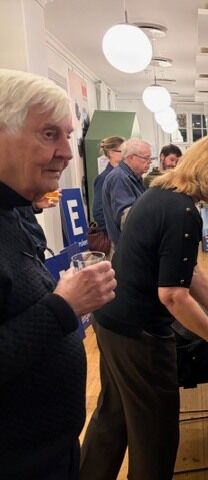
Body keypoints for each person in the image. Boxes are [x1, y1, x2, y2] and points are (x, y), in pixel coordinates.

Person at [80, 133, 208, 480]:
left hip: (111, 319)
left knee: (113, 416)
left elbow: (191, 271)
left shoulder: (160, 192)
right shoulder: (182, 211)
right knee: (155, 435)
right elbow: (172, 295)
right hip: (138, 333)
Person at [0, 68, 116, 479]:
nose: (67, 152)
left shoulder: (15, 210)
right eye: (49, 134)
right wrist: (64, 306)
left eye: (67, 135)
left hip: (52, 451)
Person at [101, 138, 151, 247]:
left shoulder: (135, 178)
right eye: (146, 158)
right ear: (131, 157)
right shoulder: (119, 178)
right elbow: (127, 219)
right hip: (128, 248)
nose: (149, 162)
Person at [92, 136, 124, 232]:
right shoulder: (104, 178)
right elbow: (98, 211)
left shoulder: (124, 175)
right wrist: (113, 233)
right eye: (122, 151)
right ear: (111, 153)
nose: (126, 154)